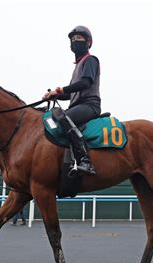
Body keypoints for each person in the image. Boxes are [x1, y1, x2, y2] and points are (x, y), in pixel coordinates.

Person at [43, 25, 101, 176]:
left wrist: (61, 89)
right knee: (53, 118)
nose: (75, 41)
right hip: (78, 105)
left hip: (89, 105)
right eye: (73, 39)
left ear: (88, 42)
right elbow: (71, 94)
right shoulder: (77, 67)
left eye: (79, 39)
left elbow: (85, 83)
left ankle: (84, 160)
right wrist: (54, 95)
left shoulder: (90, 60)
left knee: (63, 118)